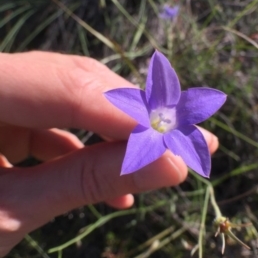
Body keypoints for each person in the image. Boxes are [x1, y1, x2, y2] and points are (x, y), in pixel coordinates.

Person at [0, 51, 219, 256]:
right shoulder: (142, 110)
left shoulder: (193, 115)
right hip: (147, 133)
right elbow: (126, 104)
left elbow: (201, 133)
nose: (162, 121)